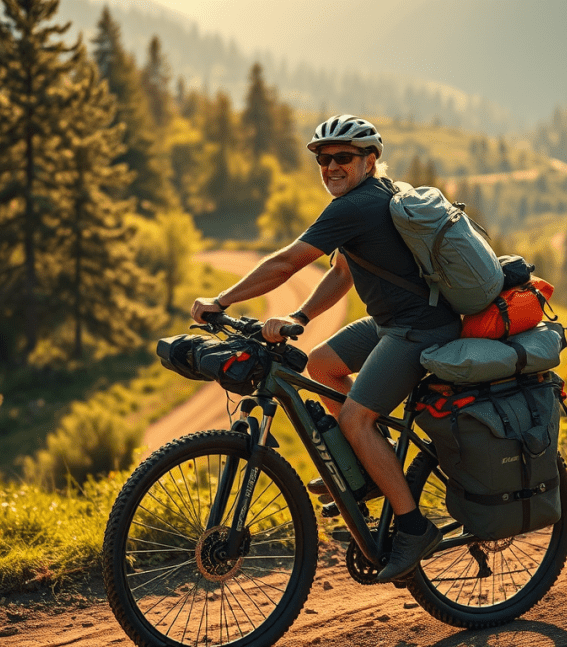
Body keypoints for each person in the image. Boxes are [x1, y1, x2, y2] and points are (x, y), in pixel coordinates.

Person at [191, 114, 460, 581]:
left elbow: (287, 262)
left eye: (343, 158)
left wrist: (222, 300)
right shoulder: (377, 194)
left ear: (370, 159)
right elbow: (342, 273)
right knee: (322, 364)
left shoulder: (354, 206)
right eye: (323, 159)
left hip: (420, 329)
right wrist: (300, 317)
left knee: (356, 418)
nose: (331, 167)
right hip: (392, 323)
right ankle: (370, 463)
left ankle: (414, 528)